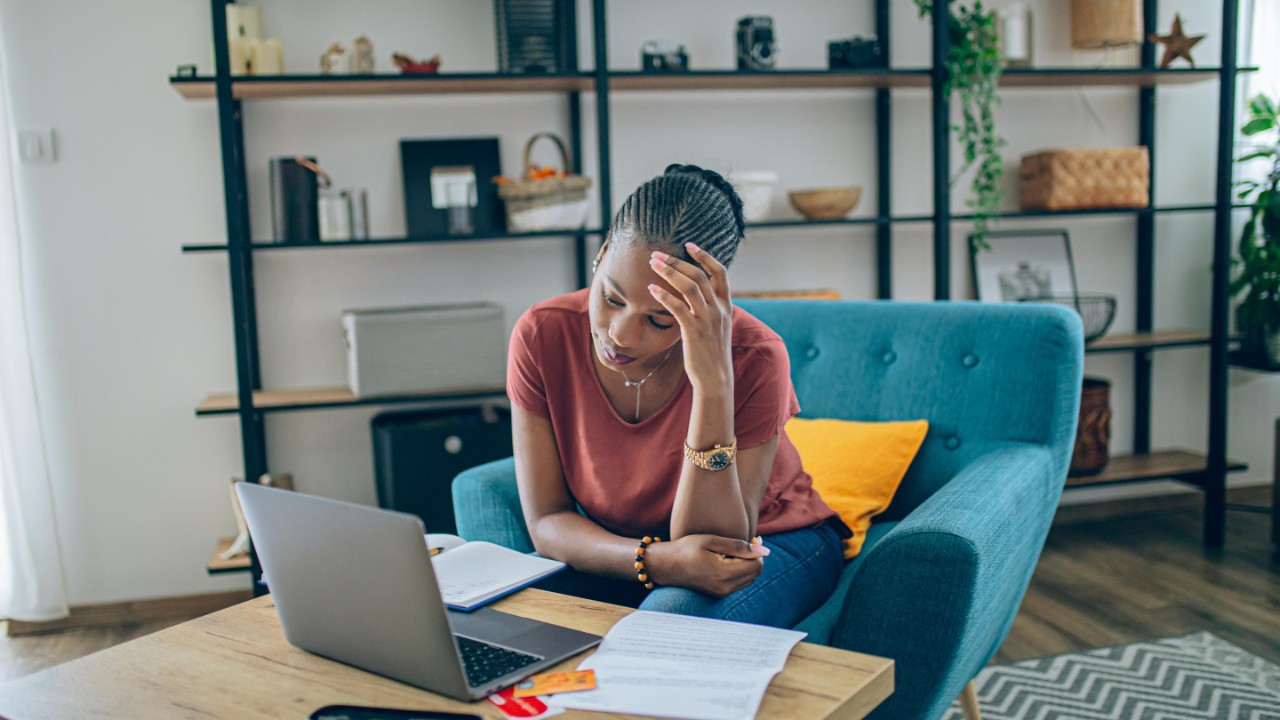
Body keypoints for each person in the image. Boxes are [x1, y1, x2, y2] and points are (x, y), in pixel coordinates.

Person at [507, 164, 848, 628]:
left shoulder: (755, 356)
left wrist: (712, 385)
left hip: (770, 541)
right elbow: (547, 519)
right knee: (511, 609)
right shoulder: (542, 334)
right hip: (643, 547)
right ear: (603, 253)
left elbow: (713, 544)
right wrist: (657, 561)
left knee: (676, 618)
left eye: (660, 320)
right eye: (611, 298)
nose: (621, 336)